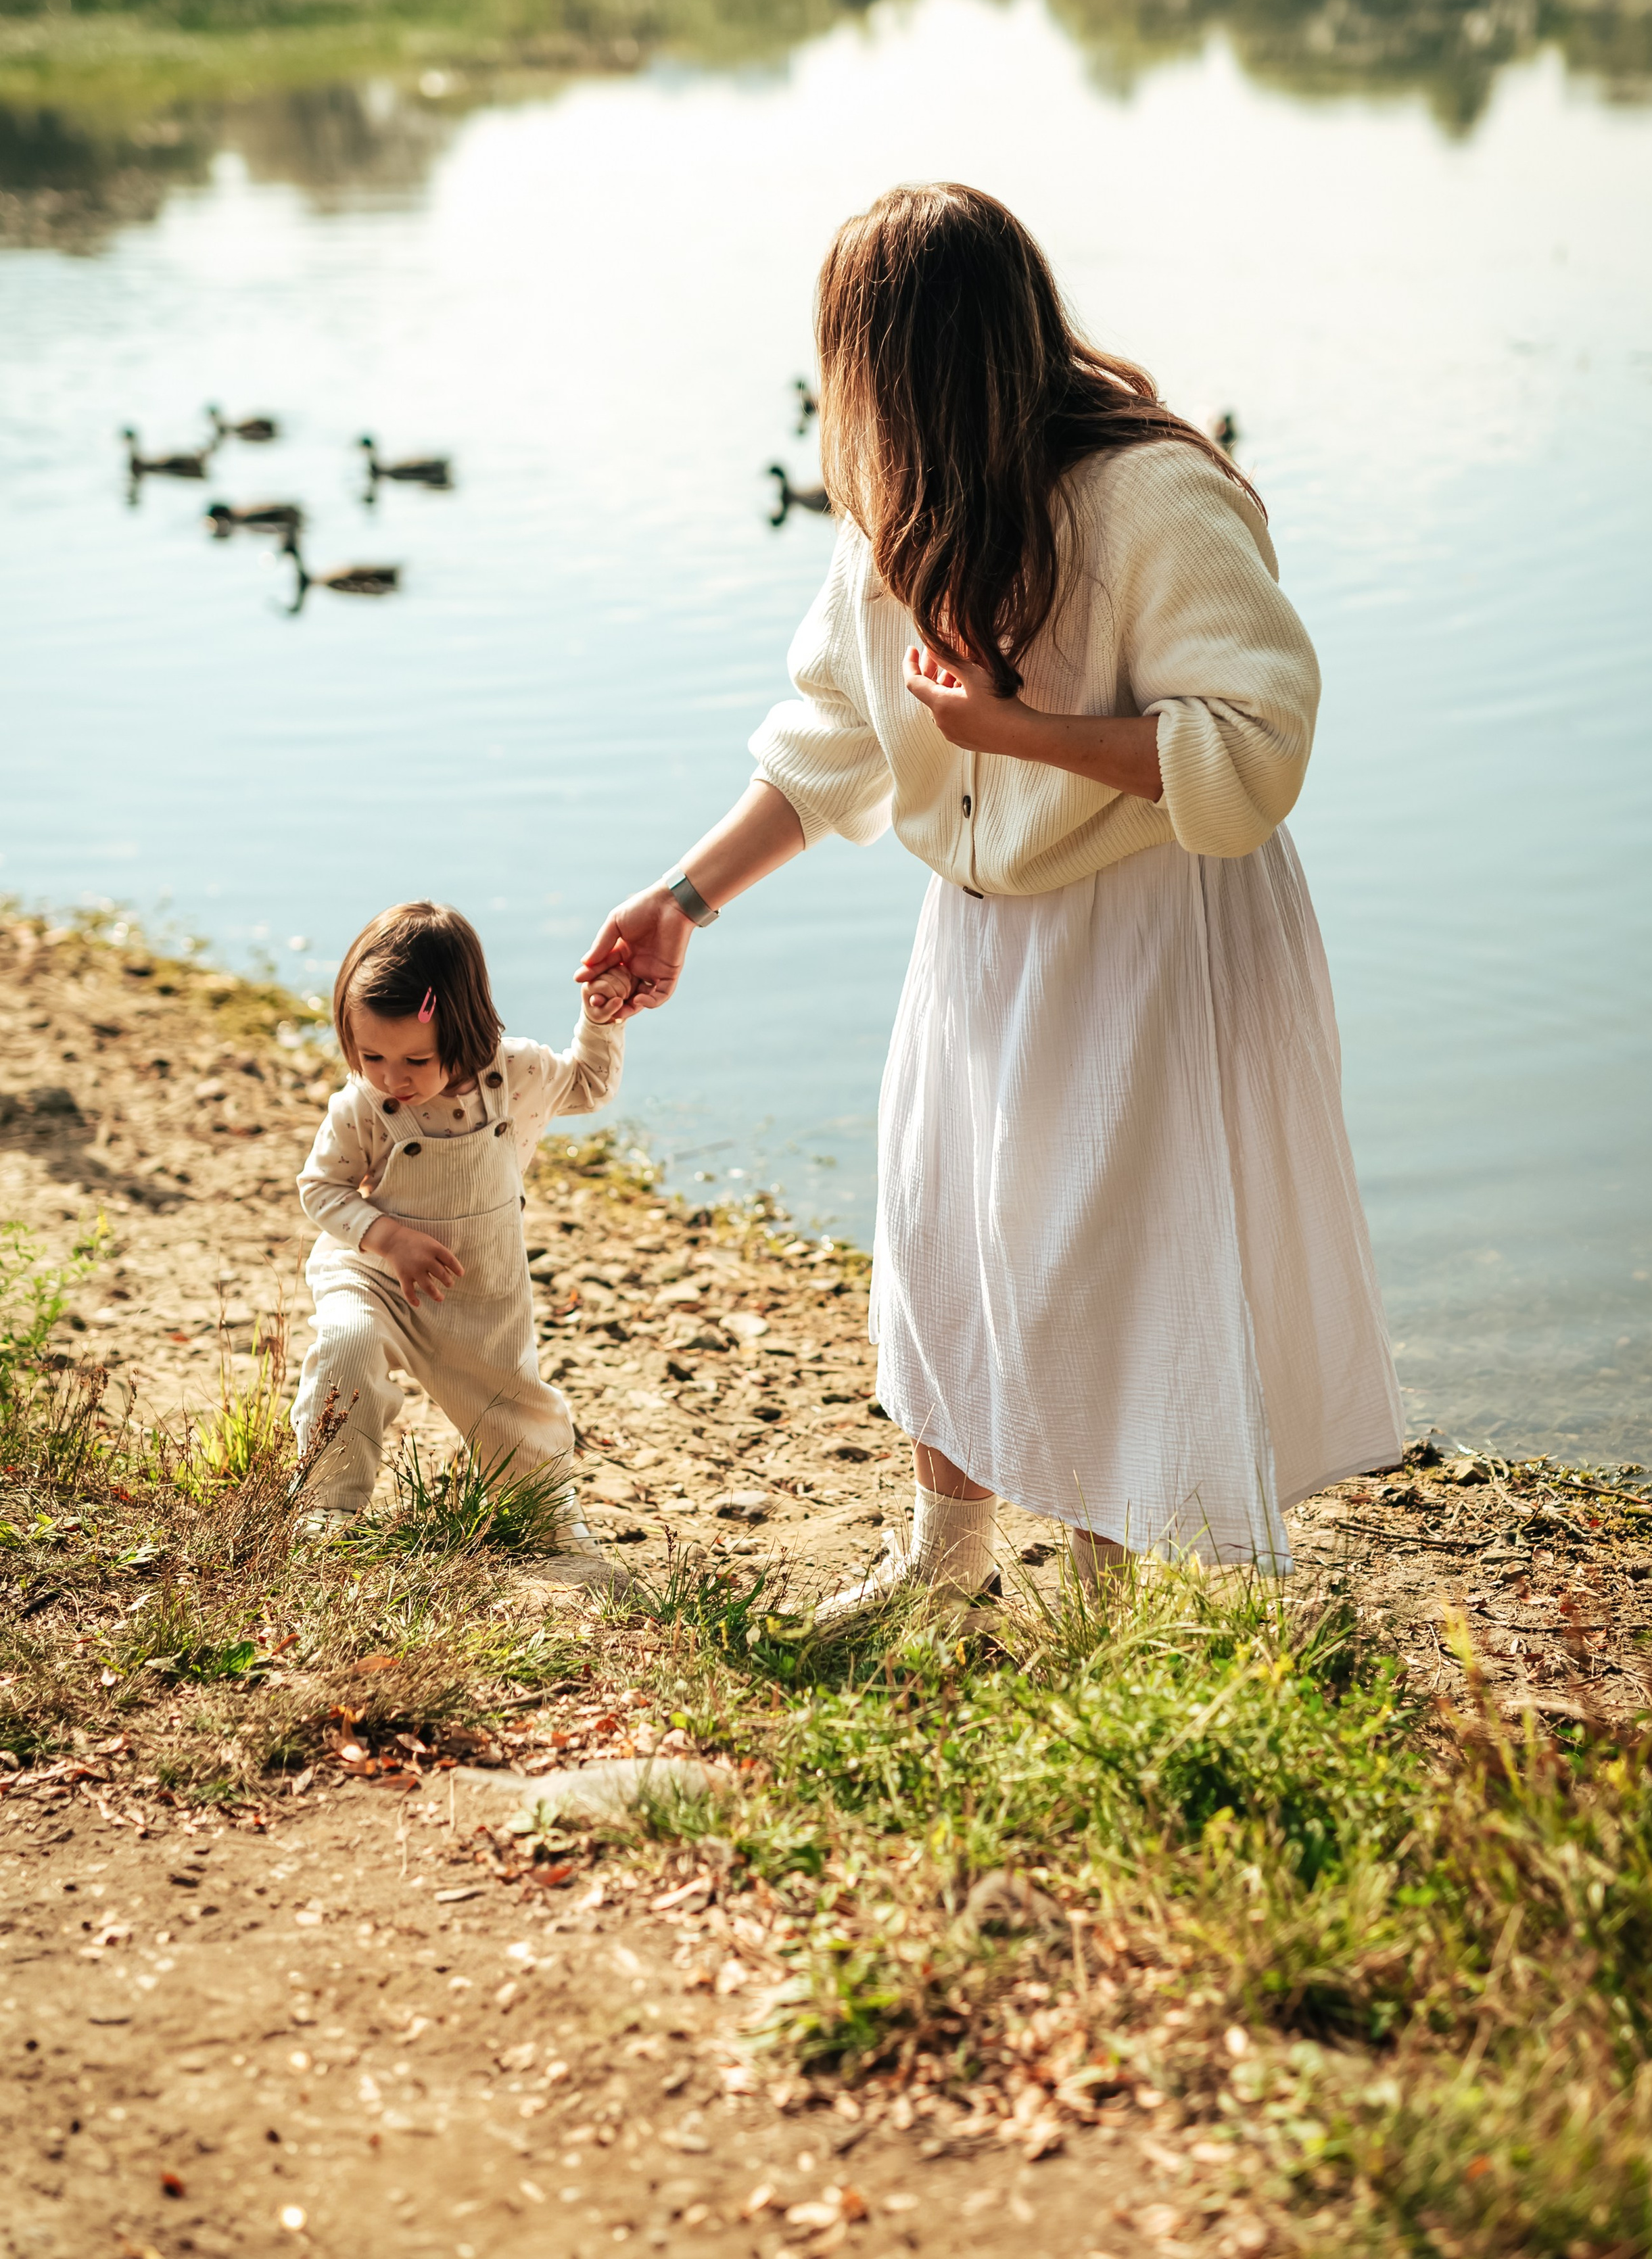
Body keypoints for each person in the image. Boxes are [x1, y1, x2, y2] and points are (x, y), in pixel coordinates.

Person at [580, 183, 1405, 1622]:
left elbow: (1255, 750)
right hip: (977, 931)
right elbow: (835, 739)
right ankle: (942, 1560)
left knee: (1111, 1251)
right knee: (940, 1227)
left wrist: (1021, 734)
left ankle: (1112, 1602)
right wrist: (681, 898)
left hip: (1151, 919)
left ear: (903, 356)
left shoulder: (1154, 496)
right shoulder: (894, 511)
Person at [293, 899, 634, 1592]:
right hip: (375, 1275)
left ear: (465, 1026)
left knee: (515, 1415)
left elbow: (590, 1084)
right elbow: (321, 1188)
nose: (392, 1077)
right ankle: (326, 1507)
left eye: (415, 1058)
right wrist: (388, 1237)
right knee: (347, 1346)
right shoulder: (363, 1104)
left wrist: (601, 1019)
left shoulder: (516, 1075)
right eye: (371, 1055)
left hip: (478, 1287)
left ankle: (550, 1527)